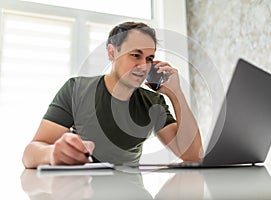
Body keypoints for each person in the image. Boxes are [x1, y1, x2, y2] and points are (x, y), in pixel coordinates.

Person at [22, 21, 203, 168]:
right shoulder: (76, 89)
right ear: (111, 52)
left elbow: (192, 155)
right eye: (135, 55)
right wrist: (52, 153)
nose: (143, 66)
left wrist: (176, 93)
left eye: (149, 58)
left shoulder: (153, 102)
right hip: (81, 190)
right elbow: (30, 154)